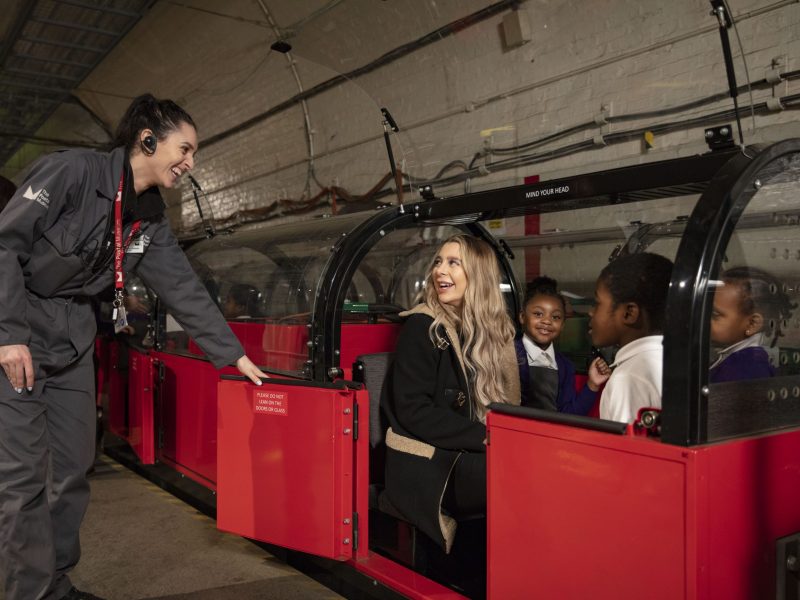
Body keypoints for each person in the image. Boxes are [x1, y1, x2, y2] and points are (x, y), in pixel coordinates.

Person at [0, 93, 267, 600]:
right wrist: (8, 336)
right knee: (23, 480)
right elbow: (4, 245)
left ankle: (55, 583)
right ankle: (28, 593)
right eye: (184, 149)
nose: (190, 163)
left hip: (74, 337)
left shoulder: (148, 218)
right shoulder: (72, 172)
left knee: (74, 470)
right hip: (21, 329)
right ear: (147, 139)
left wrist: (231, 353)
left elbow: (183, 287)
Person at [381, 234, 520, 555]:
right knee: (513, 474)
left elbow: (508, 401)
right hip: (428, 461)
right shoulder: (423, 325)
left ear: (478, 274)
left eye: (453, 263)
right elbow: (412, 410)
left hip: (468, 452)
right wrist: (485, 437)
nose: (440, 271)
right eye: (439, 262)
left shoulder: (490, 329)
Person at [588, 252, 673, 424]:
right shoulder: (672, 359)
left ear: (629, 313)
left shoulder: (627, 379)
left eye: (597, 303)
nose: (591, 312)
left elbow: (626, 450)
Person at [515, 276, 610, 414]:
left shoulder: (565, 366)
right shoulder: (508, 354)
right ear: (522, 317)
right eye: (538, 314)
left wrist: (593, 384)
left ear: (563, 325)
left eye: (555, 317)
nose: (547, 321)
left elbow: (569, 415)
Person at [709, 266, 794, 383]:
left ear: (752, 324)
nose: (705, 320)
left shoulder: (746, 369)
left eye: (715, 314)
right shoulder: (739, 360)